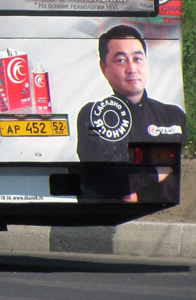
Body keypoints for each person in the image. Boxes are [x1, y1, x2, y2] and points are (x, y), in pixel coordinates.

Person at [76, 24, 186, 203]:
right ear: (104, 68)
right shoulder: (95, 114)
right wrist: (159, 171)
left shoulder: (173, 116)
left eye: (137, 58)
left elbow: (184, 173)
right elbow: (112, 181)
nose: (132, 68)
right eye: (120, 60)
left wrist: (136, 183)